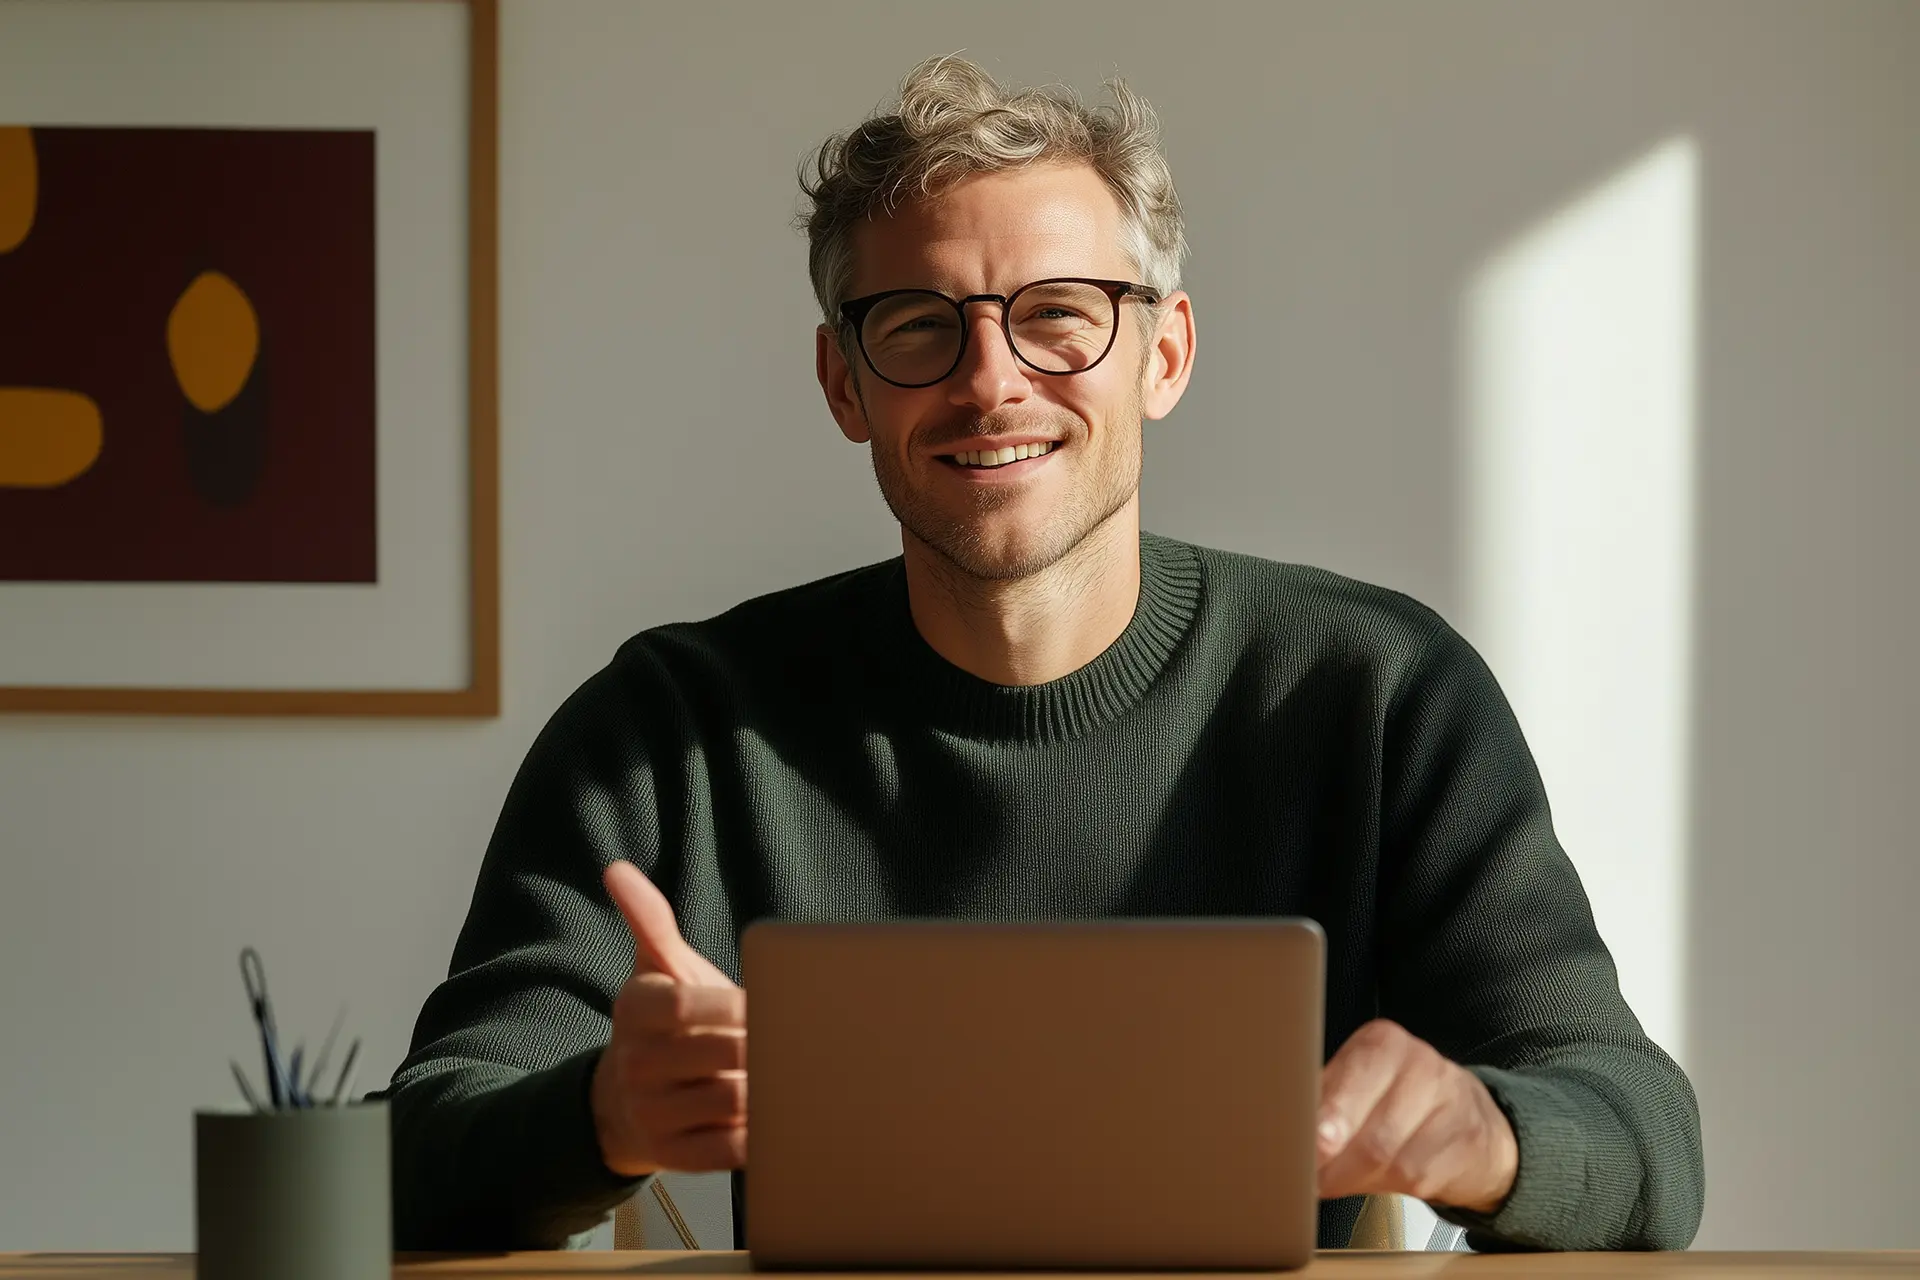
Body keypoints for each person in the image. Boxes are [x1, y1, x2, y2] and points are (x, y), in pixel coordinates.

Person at [377, 55, 1705, 1254]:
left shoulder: (1376, 694)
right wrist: (600, 1113)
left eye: (1060, 313)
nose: (992, 380)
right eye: (917, 326)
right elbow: (408, 1147)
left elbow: (1642, 1133)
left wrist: (1489, 1137)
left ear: (1164, 354)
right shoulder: (671, 730)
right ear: (845, 386)